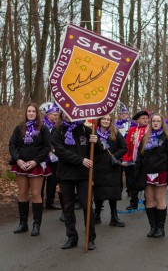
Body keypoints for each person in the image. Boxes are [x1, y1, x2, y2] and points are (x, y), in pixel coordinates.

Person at [52, 113, 101, 250]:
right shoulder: (57, 131)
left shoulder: (86, 130)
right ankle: (72, 237)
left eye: (71, 113)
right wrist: (80, 160)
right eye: (65, 113)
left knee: (87, 206)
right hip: (65, 174)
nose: (68, 115)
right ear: (62, 114)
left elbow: (98, 152)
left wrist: (96, 143)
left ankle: (90, 238)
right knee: (68, 206)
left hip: (83, 175)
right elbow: (60, 152)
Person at [9, 103, 51, 236]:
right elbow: (12, 145)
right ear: (26, 113)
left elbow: (47, 147)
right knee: (22, 194)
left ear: (36, 114)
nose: (31, 113)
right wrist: (18, 159)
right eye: (29, 111)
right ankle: (23, 224)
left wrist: (35, 161)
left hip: (36, 165)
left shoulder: (43, 129)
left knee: (36, 194)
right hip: (21, 165)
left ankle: (36, 224)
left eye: (33, 111)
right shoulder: (19, 128)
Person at [135, 113, 168, 238]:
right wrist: (137, 172)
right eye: (153, 121)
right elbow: (140, 156)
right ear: (150, 122)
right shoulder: (145, 137)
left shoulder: (167, 138)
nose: (155, 123)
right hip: (147, 173)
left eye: (158, 121)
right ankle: (153, 227)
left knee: (159, 199)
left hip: (161, 172)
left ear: (162, 123)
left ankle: (160, 228)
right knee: (149, 199)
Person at [93, 114, 128, 227]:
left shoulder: (115, 132)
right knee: (98, 192)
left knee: (113, 193)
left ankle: (114, 217)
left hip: (112, 168)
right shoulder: (93, 132)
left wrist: (115, 156)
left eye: (108, 119)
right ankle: (96, 215)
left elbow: (124, 147)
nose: (106, 121)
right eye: (104, 119)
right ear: (99, 120)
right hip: (97, 167)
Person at [122, 110, 150, 210]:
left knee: (147, 183)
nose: (146, 120)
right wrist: (125, 159)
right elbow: (127, 147)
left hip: (146, 161)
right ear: (138, 120)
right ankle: (134, 203)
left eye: (147, 119)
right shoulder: (132, 130)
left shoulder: (150, 130)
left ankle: (148, 202)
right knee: (133, 183)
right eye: (143, 118)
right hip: (133, 160)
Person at [39, 102, 62, 210]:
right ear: (48, 115)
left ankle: (50, 201)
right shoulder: (40, 126)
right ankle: (39, 200)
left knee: (53, 180)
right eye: (54, 115)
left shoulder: (59, 127)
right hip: (42, 157)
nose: (57, 117)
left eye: (58, 115)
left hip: (54, 158)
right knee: (41, 180)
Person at [115, 101, 136, 196]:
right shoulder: (115, 125)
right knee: (118, 173)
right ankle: (118, 192)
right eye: (121, 114)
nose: (123, 115)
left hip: (129, 151)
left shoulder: (133, 124)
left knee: (129, 172)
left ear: (128, 115)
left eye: (125, 113)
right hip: (118, 151)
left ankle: (130, 190)